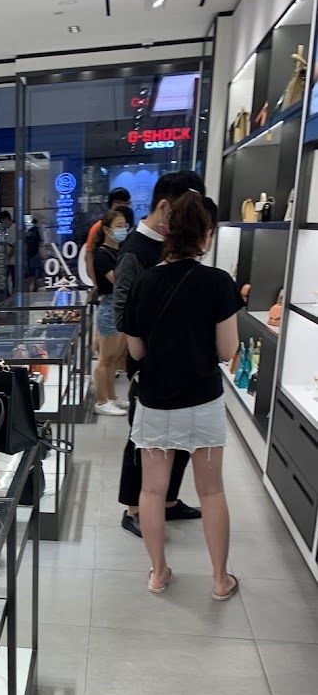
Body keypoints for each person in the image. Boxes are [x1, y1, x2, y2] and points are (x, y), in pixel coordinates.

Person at [124, 189, 242, 599]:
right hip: (202, 401)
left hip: (155, 402)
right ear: (206, 235)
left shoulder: (143, 283)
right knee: (211, 491)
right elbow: (227, 350)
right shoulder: (218, 283)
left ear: (168, 230)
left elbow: (135, 350)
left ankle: (158, 573)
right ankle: (219, 579)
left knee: (152, 491)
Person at [113, 169, 206, 538]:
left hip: (181, 365)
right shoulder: (135, 252)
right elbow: (122, 312)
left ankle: (167, 502)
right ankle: (134, 508)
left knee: (180, 438)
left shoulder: (171, 247)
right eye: (185, 213)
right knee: (142, 439)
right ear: (164, 207)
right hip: (147, 365)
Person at [92, 209, 130, 416]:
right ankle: (101, 400)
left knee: (115, 358)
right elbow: (118, 279)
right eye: (118, 226)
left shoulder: (121, 251)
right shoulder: (102, 254)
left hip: (121, 306)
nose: (122, 229)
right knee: (105, 358)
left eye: (124, 225)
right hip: (109, 307)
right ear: (107, 230)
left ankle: (112, 397)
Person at [84, 187, 131, 287]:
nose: (122, 206)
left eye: (125, 203)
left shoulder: (130, 226)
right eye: (118, 203)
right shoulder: (98, 227)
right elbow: (89, 256)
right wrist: (95, 285)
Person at [0, 210, 15, 296]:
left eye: (3, 221)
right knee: (7, 280)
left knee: (12, 280)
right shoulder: (7, 230)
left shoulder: (14, 228)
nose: (3, 224)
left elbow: (14, 246)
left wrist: (8, 256)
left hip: (13, 261)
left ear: (6, 219)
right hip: (9, 261)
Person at [25, 217, 43, 292]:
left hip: (30, 253)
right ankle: (36, 286)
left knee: (31, 272)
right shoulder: (37, 231)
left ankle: (30, 288)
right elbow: (40, 242)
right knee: (38, 270)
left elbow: (26, 242)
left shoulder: (29, 231)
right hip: (35, 253)